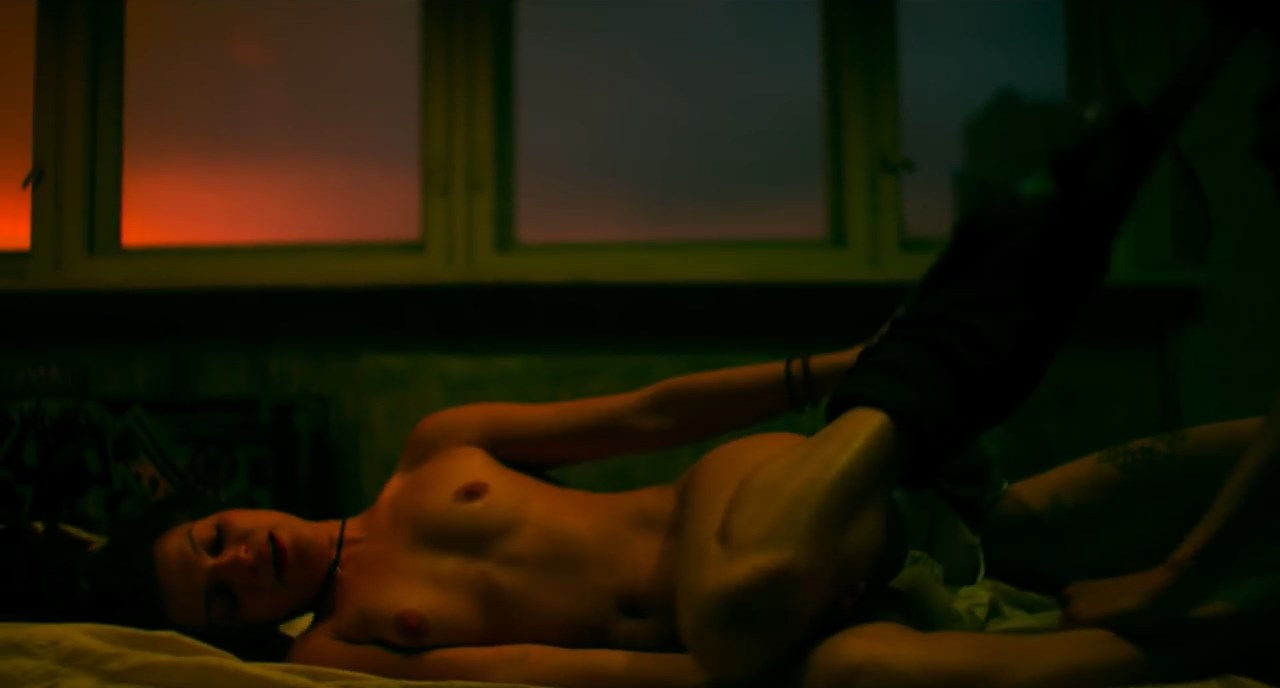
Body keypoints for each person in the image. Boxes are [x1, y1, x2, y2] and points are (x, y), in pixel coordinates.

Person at [113, 8, 1280, 688]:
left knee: (733, 603)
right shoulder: (337, 649)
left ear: (233, 507)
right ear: (241, 633)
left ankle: (913, 365)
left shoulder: (431, 453)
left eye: (213, 539)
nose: (237, 561)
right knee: (863, 673)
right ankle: (1232, 623)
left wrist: (827, 369)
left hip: (742, 509)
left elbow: (647, 415)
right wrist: (717, 678)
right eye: (219, 597)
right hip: (775, 626)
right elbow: (536, 674)